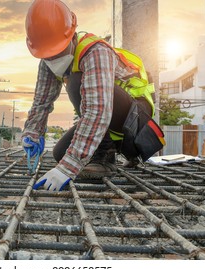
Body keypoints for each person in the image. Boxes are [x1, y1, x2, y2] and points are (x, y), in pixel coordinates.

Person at [21, 0, 156, 191]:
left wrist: (68, 168)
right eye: (47, 54)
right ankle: (102, 151)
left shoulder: (96, 52)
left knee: (76, 83)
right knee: (61, 153)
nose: (53, 59)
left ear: (72, 36)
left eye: (57, 51)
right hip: (108, 119)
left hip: (137, 123)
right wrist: (32, 133)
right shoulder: (47, 60)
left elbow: (97, 110)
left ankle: (105, 156)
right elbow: (41, 102)